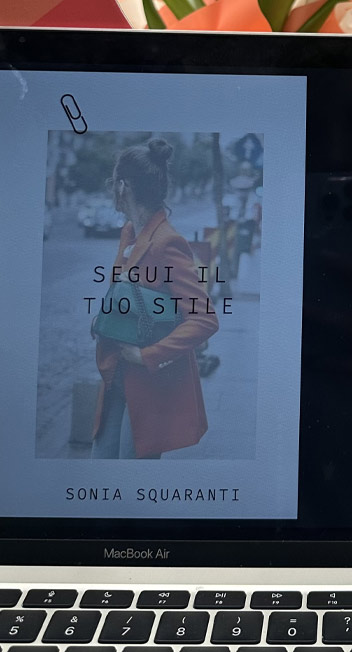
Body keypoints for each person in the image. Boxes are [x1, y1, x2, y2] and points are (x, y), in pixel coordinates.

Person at [92, 138, 219, 459]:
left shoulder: (167, 241)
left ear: (123, 186)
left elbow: (204, 319)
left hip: (147, 387)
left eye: (113, 182)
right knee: (102, 466)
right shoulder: (130, 233)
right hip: (115, 375)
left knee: (131, 477)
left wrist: (148, 355)